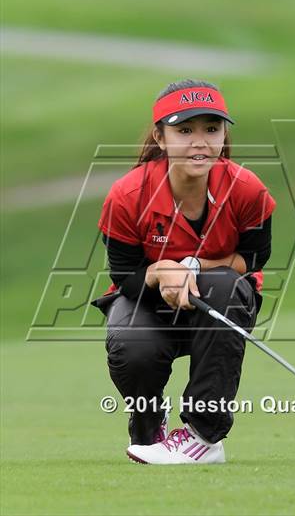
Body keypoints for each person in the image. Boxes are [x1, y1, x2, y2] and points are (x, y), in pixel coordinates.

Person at [91, 79, 276, 465]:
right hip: (147, 301)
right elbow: (125, 275)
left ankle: (202, 437)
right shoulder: (128, 196)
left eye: (212, 129)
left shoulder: (246, 190)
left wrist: (193, 267)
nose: (200, 141)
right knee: (132, 344)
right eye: (184, 130)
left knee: (225, 285)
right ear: (160, 137)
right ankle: (148, 422)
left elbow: (254, 259)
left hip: (222, 308)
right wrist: (161, 272)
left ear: (224, 134)